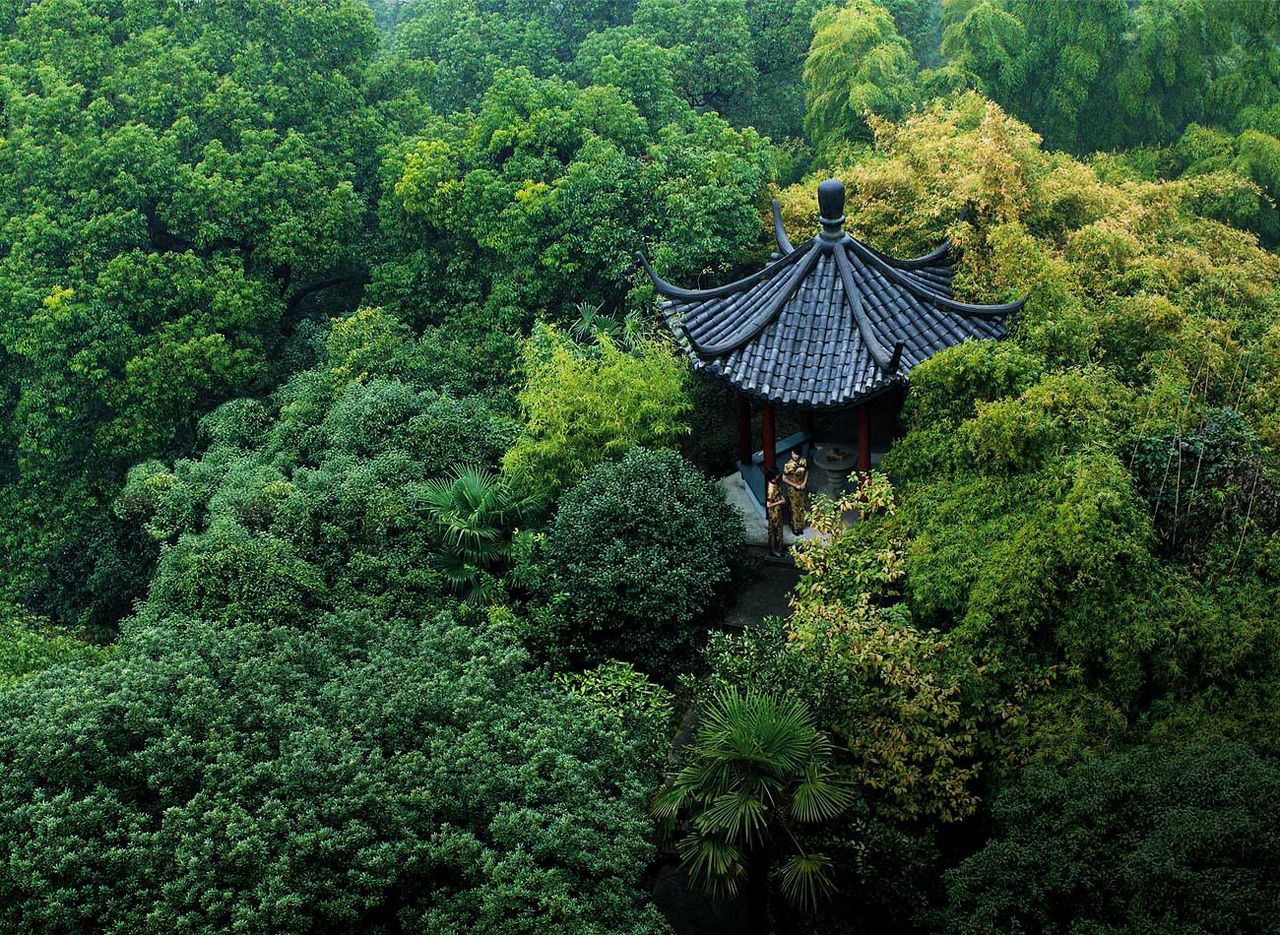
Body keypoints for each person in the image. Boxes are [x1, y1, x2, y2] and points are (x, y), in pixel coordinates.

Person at [782, 449, 809, 534]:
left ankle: (802, 524)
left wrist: (804, 482)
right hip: (793, 489)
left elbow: (807, 471)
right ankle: (795, 527)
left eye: (796, 454)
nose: (795, 456)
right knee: (794, 507)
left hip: (802, 487)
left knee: (802, 505)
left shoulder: (803, 461)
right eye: (793, 454)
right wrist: (795, 485)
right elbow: (784, 478)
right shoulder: (788, 465)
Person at [765, 471, 786, 557]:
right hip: (774, 513)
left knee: (778, 530)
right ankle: (774, 550)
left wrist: (781, 497)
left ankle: (779, 548)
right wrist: (780, 502)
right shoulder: (771, 488)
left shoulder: (775, 483)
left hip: (777, 511)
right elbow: (768, 505)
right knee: (774, 531)